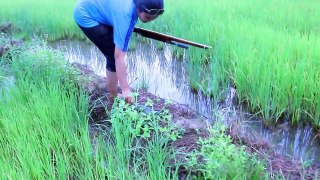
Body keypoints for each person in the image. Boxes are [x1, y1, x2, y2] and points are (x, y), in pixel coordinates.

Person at [73, 0, 164, 104]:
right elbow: (119, 57)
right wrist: (125, 89)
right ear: (138, 7)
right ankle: (113, 97)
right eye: (148, 17)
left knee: (115, 49)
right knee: (112, 55)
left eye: (154, 18)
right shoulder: (126, 15)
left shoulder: (130, 8)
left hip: (98, 9)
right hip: (85, 14)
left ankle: (114, 94)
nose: (150, 20)